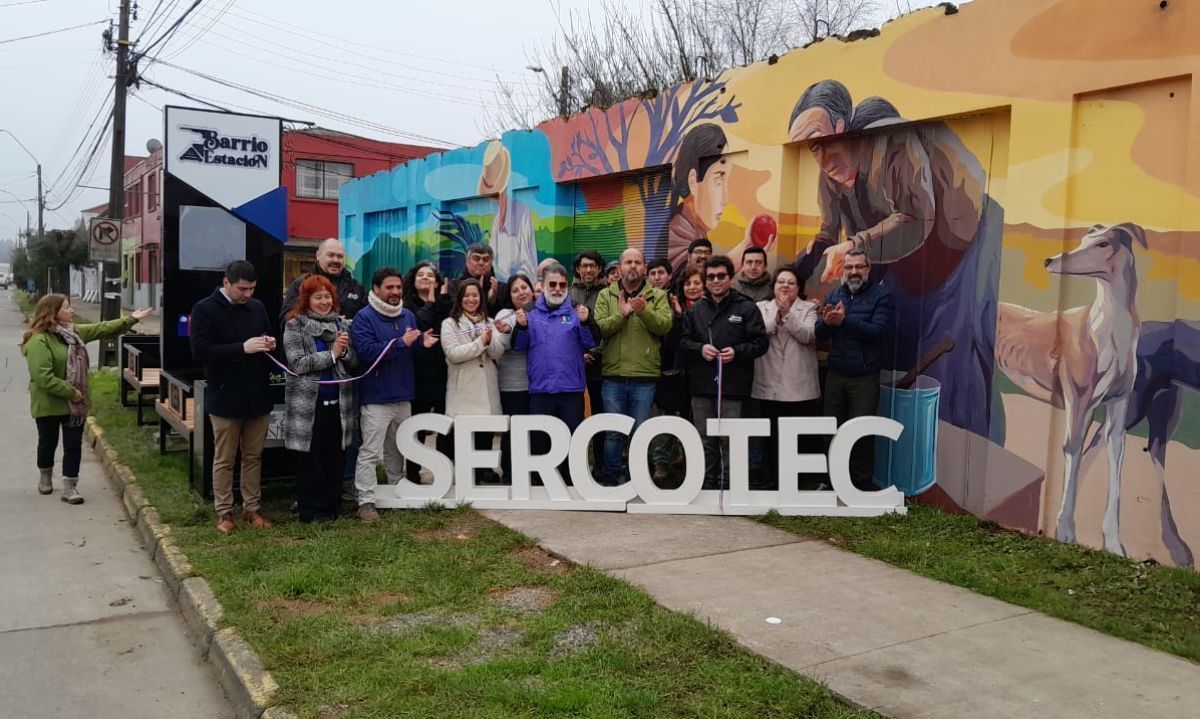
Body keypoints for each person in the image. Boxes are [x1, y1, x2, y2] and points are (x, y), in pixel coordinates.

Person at [22, 295, 150, 503]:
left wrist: (132, 319)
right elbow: (43, 377)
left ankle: (70, 487)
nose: (71, 311)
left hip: (75, 404)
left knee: (73, 444)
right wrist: (71, 391)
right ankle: (45, 475)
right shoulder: (39, 340)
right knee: (48, 443)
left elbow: (102, 328)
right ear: (53, 313)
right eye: (67, 308)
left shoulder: (74, 333)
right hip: (49, 403)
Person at [189, 261, 276, 533]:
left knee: (254, 455)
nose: (247, 294)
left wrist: (269, 344)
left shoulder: (257, 307)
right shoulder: (204, 309)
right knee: (225, 458)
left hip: (256, 393)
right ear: (226, 283)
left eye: (251, 289)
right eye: (242, 289)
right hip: (225, 394)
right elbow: (201, 352)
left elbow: (265, 337)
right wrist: (242, 348)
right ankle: (224, 511)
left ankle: (252, 508)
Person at [351, 267, 438, 521]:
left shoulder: (408, 314)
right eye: (389, 288)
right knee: (369, 451)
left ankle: (396, 489)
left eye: (398, 287)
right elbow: (367, 353)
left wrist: (423, 345)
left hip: (403, 395)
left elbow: (411, 354)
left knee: (397, 448)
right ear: (376, 288)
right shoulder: (363, 317)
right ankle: (366, 501)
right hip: (376, 398)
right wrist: (403, 343)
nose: (395, 292)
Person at [679, 256, 769, 490]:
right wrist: (700, 348)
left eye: (721, 276)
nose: (716, 280)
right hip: (701, 386)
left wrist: (737, 352)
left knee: (730, 438)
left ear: (730, 278)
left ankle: (729, 483)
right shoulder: (695, 310)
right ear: (706, 281)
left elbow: (761, 343)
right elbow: (683, 341)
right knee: (705, 438)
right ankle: (707, 482)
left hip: (733, 386)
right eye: (711, 277)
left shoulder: (746, 307)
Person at [815, 248, 895, 490]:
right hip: (836, 374)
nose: (853, 272)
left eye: (858, 267)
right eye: (849, 267)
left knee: (861, 431)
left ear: (867, 269)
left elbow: (878, 333)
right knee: (831, 428)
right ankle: (831, 480)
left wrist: (844, 321)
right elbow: (819, 333)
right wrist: (828, 323)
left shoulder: (882, 296)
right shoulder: (835, 294)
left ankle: (859, 484)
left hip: (864, 377)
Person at [593, 248, 673, 485]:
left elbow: (665, 326)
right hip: (613, 376)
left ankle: (638, 481)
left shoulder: (657, 296)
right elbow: (601, 329)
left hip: (644, 377)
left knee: (640, 433)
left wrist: (643, 311)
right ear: (620, 268)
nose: (633, 266)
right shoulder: (606, 295)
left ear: (644, 267)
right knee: (614, 433)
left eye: (638, 262)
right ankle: (610, 479)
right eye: (628, 262)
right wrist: (623, 314)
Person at [282, 275, 358, 523]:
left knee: (335, 457)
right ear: (306, 300)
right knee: (310, 459)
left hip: (339, 404)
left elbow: (354, 362)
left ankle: (333, 507)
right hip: (309, 405)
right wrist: (333, 354)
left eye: (327, 296)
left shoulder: (341, 325)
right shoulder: (295, 325)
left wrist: (345, 353)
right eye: (318, 297)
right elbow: (298, 364)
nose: (324, 302)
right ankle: (311, 511)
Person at [514, 263, 595, 482]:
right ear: (542, 285)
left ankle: (571, 482)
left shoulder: (578, 311)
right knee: (540, 441)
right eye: (552, 284)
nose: (557, 288)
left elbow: (590, 343)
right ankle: (540, 483)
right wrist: (520, 327)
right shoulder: (529, 312)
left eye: (562, 284)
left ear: (567, 286)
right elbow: (519, 347)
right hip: (541, 390)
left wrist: (587, 322)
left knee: (571, 440)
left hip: (571, 390)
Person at [752, 267, 820, 490]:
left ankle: (800, 480)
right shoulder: (761, 308)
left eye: (790, 283)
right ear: (773, 287)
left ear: (798, 288)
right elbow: (760, 332)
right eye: (781, 282)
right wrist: (778, 315)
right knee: (772, 436)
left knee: (799, 436)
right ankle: (774, 478)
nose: (785, 286)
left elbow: (808, 335)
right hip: (769, 383)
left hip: (799, 386)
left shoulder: (809, 308)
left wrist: (788, 315)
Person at [442, 279, 506, 484]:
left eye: (475, 295)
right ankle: (464, 474)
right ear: (460, 298)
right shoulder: (450, 323)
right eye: (467, 295)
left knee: (485, 432)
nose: (471, 299)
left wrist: (493, 339)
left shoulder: (488, 321)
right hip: (464, 389)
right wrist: (480, 343)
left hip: (486, 386)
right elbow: (453, 354)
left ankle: (483, 471)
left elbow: (497, 354)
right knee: (463, 435)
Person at [649, 267, 703, 481]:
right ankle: (661, 463)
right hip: (672, 373)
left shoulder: (708, 309)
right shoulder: (673, 307)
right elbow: (672, 342)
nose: (692, 287)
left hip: (700, 376)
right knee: (667, 418)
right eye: (688, 284)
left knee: (693, 420)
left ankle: (688, 460)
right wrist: (679, 317)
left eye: (696, 283)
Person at [405, 261, 453, 481]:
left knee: (445, 424)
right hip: (417, 374)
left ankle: (446, 470)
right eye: (420, 274)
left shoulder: (446, 303)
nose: (425, 277)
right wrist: (431, 303)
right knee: (418, 425)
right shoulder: (408, 307)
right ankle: (413, 472)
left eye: (430, 275)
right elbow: (420, 326)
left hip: (442, 373)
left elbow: (447, 327)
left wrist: (440, 301)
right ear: (413, 281)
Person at [494, 274, 535, 483]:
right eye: (515, 290)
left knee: (534, 433)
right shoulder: (506, 314)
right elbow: (503, 340)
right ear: (509, 295)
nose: (521, 292)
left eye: (524, 287)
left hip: (536, 385)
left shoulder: (540, 313)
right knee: (513, 434)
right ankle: (510, 475)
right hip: (512, 386)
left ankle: (532, 473)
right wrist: (511, 329)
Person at [569, 250, 606, 458]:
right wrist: (578, 355)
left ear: (599, 269)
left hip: (599, 368)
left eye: (592, 266)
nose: (588, 270)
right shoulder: (568, 294)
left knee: (600, 417)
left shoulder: (608, 293)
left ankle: (600, 463)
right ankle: (577, 461)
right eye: (584, 266)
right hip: (574, 368)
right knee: (575, 416)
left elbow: (608, 330)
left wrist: (592, 352)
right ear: (578, 269)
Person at [280, 238, 365, 325]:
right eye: (330, 255)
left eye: (340, 256)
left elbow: (365, 323)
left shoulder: (356, 287)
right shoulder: (301, 284)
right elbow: (287, 320)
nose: (335, 260)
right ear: (318, 255)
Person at [461, 242, 506, 315]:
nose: (481, 263)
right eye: (476, 259)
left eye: (486, 259)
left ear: (491, 262)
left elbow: (511, 316)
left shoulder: (502, 288)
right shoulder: (454, 287)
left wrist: (493, 300)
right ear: (467, 261)